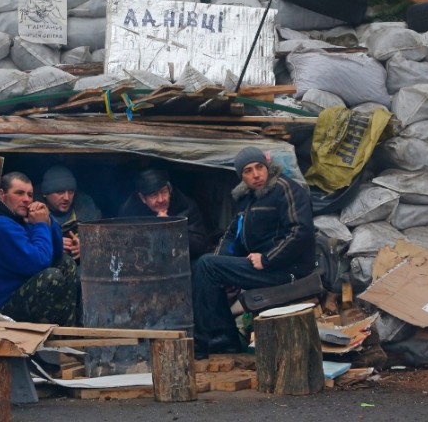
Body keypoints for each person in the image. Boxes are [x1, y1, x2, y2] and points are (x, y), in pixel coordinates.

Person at [192, 147, 316, 359]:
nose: (256, 174)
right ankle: (224, 339)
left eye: (259, 167)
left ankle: (204, 343)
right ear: (242, 176)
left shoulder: (284, 189)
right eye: (248, 171)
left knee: (206, 266)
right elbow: (234, 235)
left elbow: (300, 231)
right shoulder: (246, 199)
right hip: (265, 267)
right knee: (207, 267)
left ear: (267, 167)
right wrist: (222, 261)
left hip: (287, 269)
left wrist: (267, 259)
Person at [0, 171, 79, 325]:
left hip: (20, 294)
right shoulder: (1, 224)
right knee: (51, 277)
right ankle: (47, 336)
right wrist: (40, 225)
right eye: (19, 193)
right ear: (1, 194)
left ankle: (64, 335)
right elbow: (39, 263)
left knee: (66, 263)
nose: (26, 200)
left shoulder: (20, 220)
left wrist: (47, 219)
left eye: (30, 195)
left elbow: (56, 253)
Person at [117, 168, 213, 261]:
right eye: (154, 195)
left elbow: (200, 246)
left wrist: (172, 228)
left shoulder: (186, 206)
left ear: (170, 190)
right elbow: (123, 247)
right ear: (142, 198)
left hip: (180, 264)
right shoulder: (129, 211)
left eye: (164, 192)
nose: (161, 199)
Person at [39, 165, 102, 260]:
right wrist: (53, 245)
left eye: (71, 192)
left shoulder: (89, 212)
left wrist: (86, 247)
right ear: (45, 194)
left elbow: (105, 242)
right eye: (60, 192)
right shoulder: (32, 216)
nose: (66, 198)